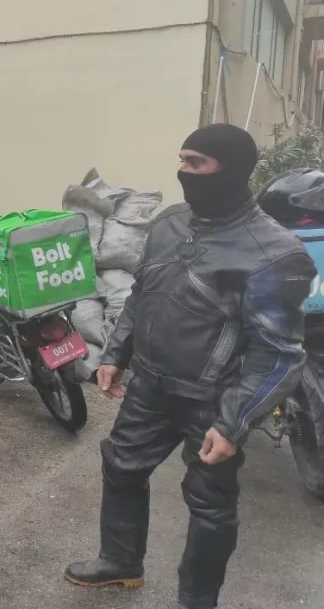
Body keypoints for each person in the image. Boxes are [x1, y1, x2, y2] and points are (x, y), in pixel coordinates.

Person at [65, 124, 317, 609]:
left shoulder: (273, 252)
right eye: (181, 160)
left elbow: (279, 352)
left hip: (215, 399)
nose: (184, 172)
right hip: (152, 387)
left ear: (233, 170)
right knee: (120, 465)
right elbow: (143, 293)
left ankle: (197, 600)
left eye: (196, 163)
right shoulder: (170, 222)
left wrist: (234, 423)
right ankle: (120, 562)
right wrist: (117, 353)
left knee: (209, 505)